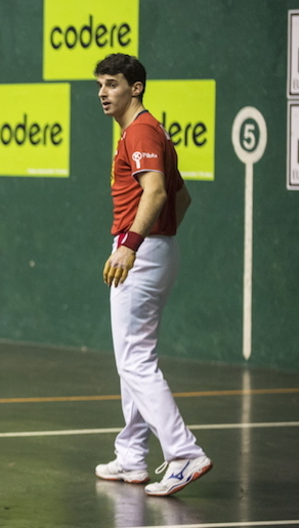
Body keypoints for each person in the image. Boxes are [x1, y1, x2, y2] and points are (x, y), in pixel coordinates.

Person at [92, 53, 212, 497]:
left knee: (135, 360)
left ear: (136, 87)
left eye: (112, 84)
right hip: (156, 250)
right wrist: (160, 240)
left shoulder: (140, 130)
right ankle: (132, 455)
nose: (103, 93)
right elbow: (182, 198)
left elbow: (159, 191)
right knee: (134, 357)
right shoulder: (150, 130)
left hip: (138, 251)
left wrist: (131, 244)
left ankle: (183, 453)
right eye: (101, 85)